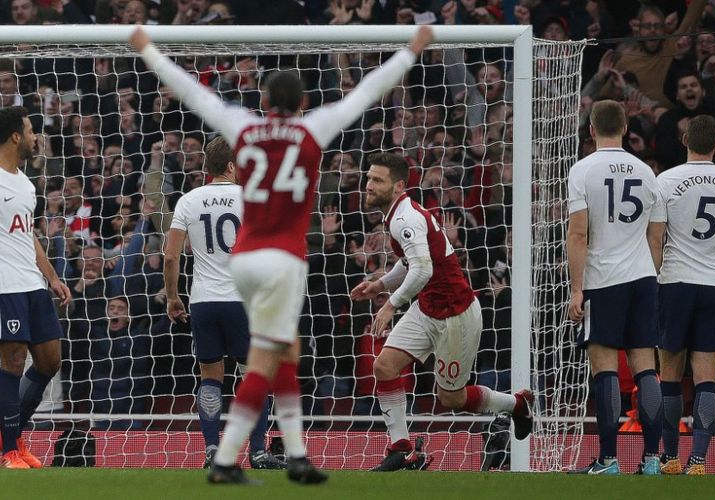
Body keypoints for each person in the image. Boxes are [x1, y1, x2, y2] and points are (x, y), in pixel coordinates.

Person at [129, 24, 434, 484]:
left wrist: (148, 50)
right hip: (283, 259)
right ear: (303, 103)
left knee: (280, 353)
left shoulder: (245, 128)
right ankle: (246, 457)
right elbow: (367, 92)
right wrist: (411, 51)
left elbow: (193, 93)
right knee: (271, 358)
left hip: (244, 260)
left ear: (265, 101)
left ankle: (281, 454)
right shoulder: (313, 128)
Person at [350, 152, 533, 472]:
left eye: (376, 180)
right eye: (368, 178)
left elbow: (421, 270)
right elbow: (409, 264)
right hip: (428, 308)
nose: (368, 185)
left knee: (451, 398)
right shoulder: (396, 214)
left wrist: (390, 304)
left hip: (456, 315)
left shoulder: (404, 218)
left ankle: (517, 404)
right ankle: (401, 448)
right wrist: (380, 285)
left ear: (397, 186)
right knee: (385, 367)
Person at [164, 136, 285, 470]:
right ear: (232, 166)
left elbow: (171, 256)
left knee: (210, 378)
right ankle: (258, 451)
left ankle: (212, 450)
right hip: (242, 301)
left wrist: (173, 297)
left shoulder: (188, 201)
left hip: (203, 301)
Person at [567, 100, 665, 475]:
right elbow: (657, 238)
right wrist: (648, 277)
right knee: (645, 367)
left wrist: (578, 290)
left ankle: (608, 460)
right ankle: (652, 460)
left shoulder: (583, 170)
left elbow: (578, 233)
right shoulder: (647, 172)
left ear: (591, 130)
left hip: (603, 279)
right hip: (642, 277)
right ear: (625, 128)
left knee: (604, 368)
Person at [655, 115, 715, 475]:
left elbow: (657, 237)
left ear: (684, 140)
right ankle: (699, 461)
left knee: (670, 374)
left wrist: (654, 281)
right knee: (706, 376)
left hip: (674, 282)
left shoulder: (665, 181)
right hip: (713, 285)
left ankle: (670, 457)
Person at [0, 106, 72, 469]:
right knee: (12, 363)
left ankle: (9, 436)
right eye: (30, 131)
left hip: (32, 284)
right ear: (15, 136)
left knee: (49, 361)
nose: (35, 138)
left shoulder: (25, 184)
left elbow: (28, 236)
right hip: (5, 286)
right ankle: (10, 449)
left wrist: (53, 277)